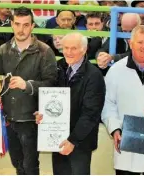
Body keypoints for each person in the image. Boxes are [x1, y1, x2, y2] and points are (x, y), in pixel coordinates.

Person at [0, 7, 57, 175]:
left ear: (32, 26)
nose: (21, 29)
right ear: (11, 24)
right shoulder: (3, 50)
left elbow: (52, 84)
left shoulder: (45, 51)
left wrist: (27, 85)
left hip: (32, 119)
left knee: (30, 166)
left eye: (26, 25)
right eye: (17, 24)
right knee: (17, 163)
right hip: (9, 117)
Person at [35, 32, 106, 175]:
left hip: (80, 142)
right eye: (66, 48)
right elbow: (50, 98)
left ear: (84, 49)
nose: (68, 52)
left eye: (73, 48)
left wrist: (73, 140)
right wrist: (42, 113)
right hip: (58, 138)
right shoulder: (58, 67)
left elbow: (91, 113)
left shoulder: (94, 76)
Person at [102, 25, 144, 175]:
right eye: (140, 42)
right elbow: (108, 104)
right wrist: (115, 129)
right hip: (128, 143)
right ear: (131, 44)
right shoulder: (116, 70)